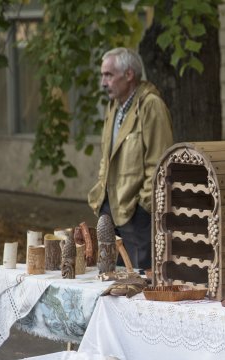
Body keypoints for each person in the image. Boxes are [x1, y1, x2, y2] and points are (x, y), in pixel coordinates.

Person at [88, 47, 174, 270]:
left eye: (108, 75)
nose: (103, 82)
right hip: (110, 209)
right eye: (102, 75)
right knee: (112, 280)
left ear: (129, 75)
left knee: (138, 283)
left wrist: (144, 207)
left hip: (136, 215)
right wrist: (101, 193)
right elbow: (106, 158)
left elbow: (161, 164)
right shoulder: (114, 107)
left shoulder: (151, 105)